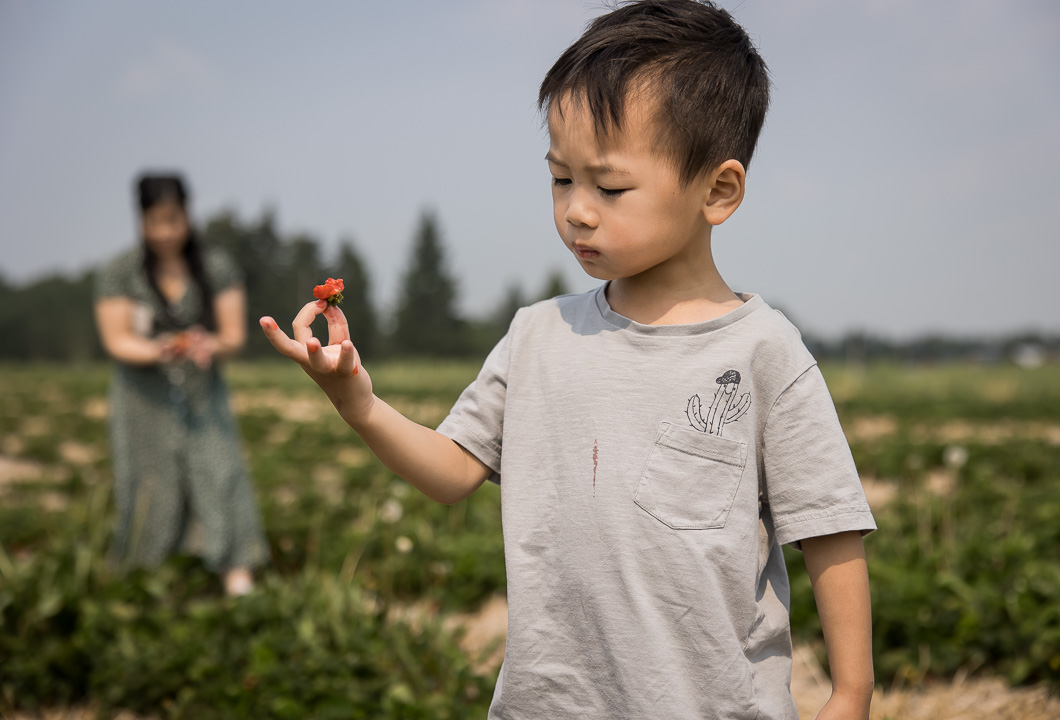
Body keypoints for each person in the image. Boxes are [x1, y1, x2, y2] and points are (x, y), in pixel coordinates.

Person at [262, 1, 876, 717]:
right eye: (561, 179)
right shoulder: (537, 336)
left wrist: (852, 693)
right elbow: (452, 471)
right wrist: (357, 402)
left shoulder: (763, 352)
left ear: (718, 190)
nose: (578, 210)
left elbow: (828, 528)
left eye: (609, 187)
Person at [94, 173, 268, 597]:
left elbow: (233, 337)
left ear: (188, 214)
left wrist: (209, 343)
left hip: (201, 393)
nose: (165, 232)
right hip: (143, 397)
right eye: (154, 221)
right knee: (149, 476)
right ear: (141, 220)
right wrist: (159, 350)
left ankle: (235, 565)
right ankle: (147, 574)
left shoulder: (217, 267)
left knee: (218, 467)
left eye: (173, 219)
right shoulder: (120, 272)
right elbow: (117, 340)